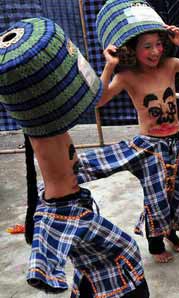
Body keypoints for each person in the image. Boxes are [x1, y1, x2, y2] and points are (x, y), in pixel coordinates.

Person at [0, 17, 149, 297]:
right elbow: (91, 99)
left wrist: (109, 66)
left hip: (71, 195)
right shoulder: (44, 126)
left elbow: (90, 97)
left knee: (94, 262)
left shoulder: (41, 118)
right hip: (66, 207)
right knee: (120, 253)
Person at [78, 0, 179, 263]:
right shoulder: (127, 75)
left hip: (177, 141)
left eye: (159, 44)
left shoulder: (170, 63)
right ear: (132, 49)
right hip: (150, 146)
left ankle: (172, 232)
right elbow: (98, 100)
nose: (155, 51)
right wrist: (109, 66)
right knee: (156, 197)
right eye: (147, 47)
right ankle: (155, 245)